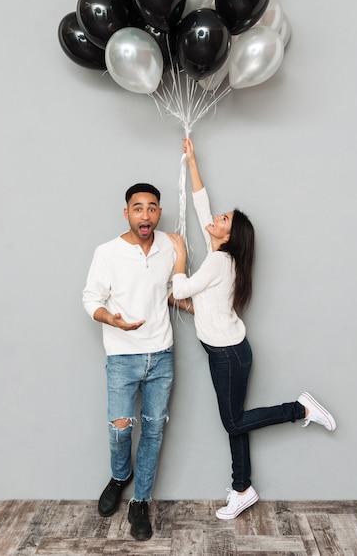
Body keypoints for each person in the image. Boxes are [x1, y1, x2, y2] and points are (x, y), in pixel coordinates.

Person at [168, 139, 336, 520]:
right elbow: (200, 205)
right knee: (236, 420)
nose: (213, 219)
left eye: (222, 220)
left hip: (228, 355)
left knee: (232, 421)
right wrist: (192, 162)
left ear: (227, 236)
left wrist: (179, 258)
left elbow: (180, 286)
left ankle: (300, 408)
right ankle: (242, 488)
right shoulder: (220, 257)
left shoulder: (217, 262)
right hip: (227, 351)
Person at [83, 182, 192, 541]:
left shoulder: (170, 245)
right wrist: (111, 319)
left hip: (161, 354)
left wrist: (192, 301)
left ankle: (140, 502)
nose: (145, 214)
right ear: (127, 212)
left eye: (151, 207)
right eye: (138, 208)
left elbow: (170, 292)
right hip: (122, 356)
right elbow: (90, 298)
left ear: (159, 212)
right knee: (120, 429)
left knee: (154, 431)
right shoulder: (107, 252)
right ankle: (119, 476)